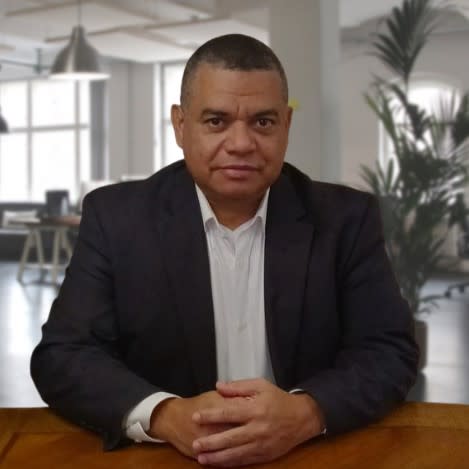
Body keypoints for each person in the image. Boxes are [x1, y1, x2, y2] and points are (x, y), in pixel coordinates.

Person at [31, 34, 418, 467]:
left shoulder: (345, 220)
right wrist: (164, 415)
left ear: (286, 125)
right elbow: (64, 356)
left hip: (306, 456)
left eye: (263, 122)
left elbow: (388, 351)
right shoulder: (117, 218)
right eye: (216, 121)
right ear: (180, 126)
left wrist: (306, 412)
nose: (241, 143)